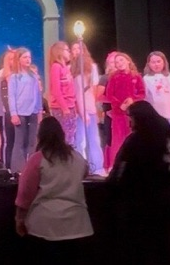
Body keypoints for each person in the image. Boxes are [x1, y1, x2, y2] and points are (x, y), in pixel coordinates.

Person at [14, 116, 93, 265]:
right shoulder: (76, 157)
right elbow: (86, 172)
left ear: (40, 135)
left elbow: (25, 193)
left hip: (46, 223)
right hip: (77, 221)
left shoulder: (38, 159)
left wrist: (19, 218)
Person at [107, 100, 170, 265]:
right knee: (163, 250)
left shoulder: (137, 140)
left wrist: (112, 187)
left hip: (142, 204)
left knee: (138, 253)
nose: (130, 123)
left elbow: (120, 170)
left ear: (138, 118)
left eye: (131, 118)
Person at [103, 52, 145, 169]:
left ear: (128, 61)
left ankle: (134, 165)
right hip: (118, 113)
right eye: (116, 62)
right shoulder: (114, 77)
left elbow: (142, 93)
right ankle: (116, 166)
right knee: (118, 139)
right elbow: (109, 95)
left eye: (121, 60)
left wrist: (133, 99)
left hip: (133, 114)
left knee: (133, 138)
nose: (119, 63)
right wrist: (119, 105)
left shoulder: (136, 76)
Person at [70, 40, 105, 176]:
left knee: (93, 138)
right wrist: (79, 109)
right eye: (73, 49)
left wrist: (93, 107)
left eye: (78, 48)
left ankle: (96, 167)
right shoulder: (70, 69)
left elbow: (94, 89)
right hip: (76, 108)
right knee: (79, 139)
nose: (76, 51)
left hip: (89, 106)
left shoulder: (92, 67)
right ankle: (79, 167)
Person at [8, 47, 44, 173]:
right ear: (19, 59)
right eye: (25, 57)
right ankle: (18, 169)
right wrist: (14, 114)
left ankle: (31, 168)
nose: (28, 59)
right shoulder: (14, 77)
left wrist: (39, 111)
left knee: (32, 141)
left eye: (29, 57)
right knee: (20, 141)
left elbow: (38, 94)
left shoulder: (33, 76)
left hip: (33, 111)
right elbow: (11, 96)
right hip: (20, 112)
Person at [142, 51, 170, 128]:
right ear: (149, 64)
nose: (156, 64)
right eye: (153, 62)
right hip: (154, 115)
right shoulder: (146, 78)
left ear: (164, 62)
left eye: (158, 61)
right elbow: (144, 97)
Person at [0, 49, 16, 170]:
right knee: (6, 140)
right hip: (2, 111)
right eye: (11, 59)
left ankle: (13, 166)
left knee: (13, 140)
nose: (14, 61)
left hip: (11, 111)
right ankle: (6, 167)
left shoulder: (16, 74)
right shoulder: (2, 75)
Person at [47, 41, 76, 147]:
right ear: (60, 52)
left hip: (70, 106)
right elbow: (56, 90)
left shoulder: (66, 68)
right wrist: (64, 108)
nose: (69, 52)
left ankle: (70, 154)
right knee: (64, 136)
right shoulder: (56, 67)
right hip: (61, 108)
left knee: (71, 135)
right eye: (67, 50)